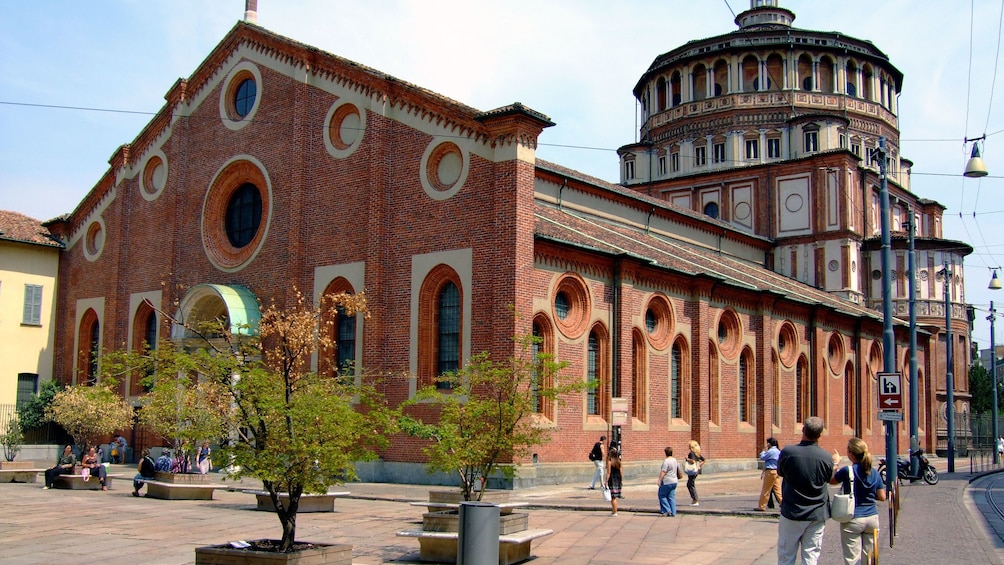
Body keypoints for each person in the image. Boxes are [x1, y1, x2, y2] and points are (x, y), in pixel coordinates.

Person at [776, 417, 838, 565]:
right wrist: (835, 463)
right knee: (811, 556)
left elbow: (780, 472)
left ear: (803, 430)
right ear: (820, 434)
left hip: (792, 511)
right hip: (816, 513)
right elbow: (829, 478)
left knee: (786, 555)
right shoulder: (826, 457)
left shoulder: (788, 452)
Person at [829, 438, 886, 565]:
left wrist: (836, 463)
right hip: (872, 518)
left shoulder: (847, 471)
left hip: (853, 518)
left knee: (852, 559)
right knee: (870, 559)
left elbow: (832, 481)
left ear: (851, 454)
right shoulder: (875, 473)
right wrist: (868, 494)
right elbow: (882, 497)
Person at [757, 437, 783, 511]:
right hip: (776, 471)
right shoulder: (778, 451)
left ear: (769, 443)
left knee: (766, 490)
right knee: (778, 490)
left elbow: (763, 457)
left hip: (770, 472)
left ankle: (761, 506)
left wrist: (762, 452)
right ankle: (783, 504)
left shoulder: (771, 451)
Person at [657, 446, 680, 516]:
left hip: (667, 481)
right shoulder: (675, 460)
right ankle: (673, 512)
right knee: (671, 497)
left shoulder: (666, 461)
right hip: (674, 481)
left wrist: (659, 480)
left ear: (665, 453)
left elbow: (663, 471)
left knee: (662, 495)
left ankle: (667, 510)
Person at [685, 440, 706, 506]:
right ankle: (694, 499)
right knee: (691, 483)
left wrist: (687, 459)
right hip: (696, 470)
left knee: (690, 484)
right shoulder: (697, 453)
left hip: (692, 470)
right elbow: (704, 460)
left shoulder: (692, 453)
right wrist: (700, 465)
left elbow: (693, 461)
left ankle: (695, 499)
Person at [606, 447, 623, 516]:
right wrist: (621, 480)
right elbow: (621, 472)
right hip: (618, 479)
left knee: (612, 497)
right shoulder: (619, 462)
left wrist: (606, 481)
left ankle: (614, 511)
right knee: (614, 496)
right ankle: (614, 511)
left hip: (612, 479)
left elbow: (608, 472)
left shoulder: (610, 462)